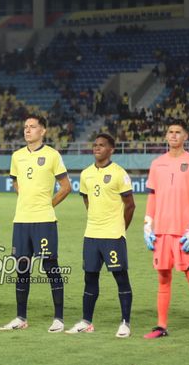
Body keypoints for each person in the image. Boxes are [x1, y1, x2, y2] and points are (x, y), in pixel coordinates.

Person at [0, 115, 72, 333]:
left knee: (50, 267)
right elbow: (15, 181)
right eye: (25, 127)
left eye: (32, 127)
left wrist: (48, 205)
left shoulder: (52, 155)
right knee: (22, 269)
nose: (27, 130)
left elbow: (66, 186)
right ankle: (21, 317)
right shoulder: (17, 156)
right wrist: (25, 200)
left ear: (43, 131)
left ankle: (58, 318)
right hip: (21, 221)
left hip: (44, 221)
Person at [143, 120, 189, 341]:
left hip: (183, 232)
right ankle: (161, 326)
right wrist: (147, 224)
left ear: (186, 136)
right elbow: (152, 196)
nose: (173, 135)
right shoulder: (157, 163)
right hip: (161, 231)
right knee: (163, 278)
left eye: (178, 132)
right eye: (170, 131)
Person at [67, 133, 135, 337]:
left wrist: (120, 228)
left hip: (113, 235)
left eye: (102, 145)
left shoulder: (119, 173)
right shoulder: (86, 173)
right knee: (90, 277)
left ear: (111, 149)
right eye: (95, 145)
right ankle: (86, 321)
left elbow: (130, 205)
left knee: (120, 277)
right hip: (91, 235)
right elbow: (87, 201)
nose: (97, 148)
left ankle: (125, 322)